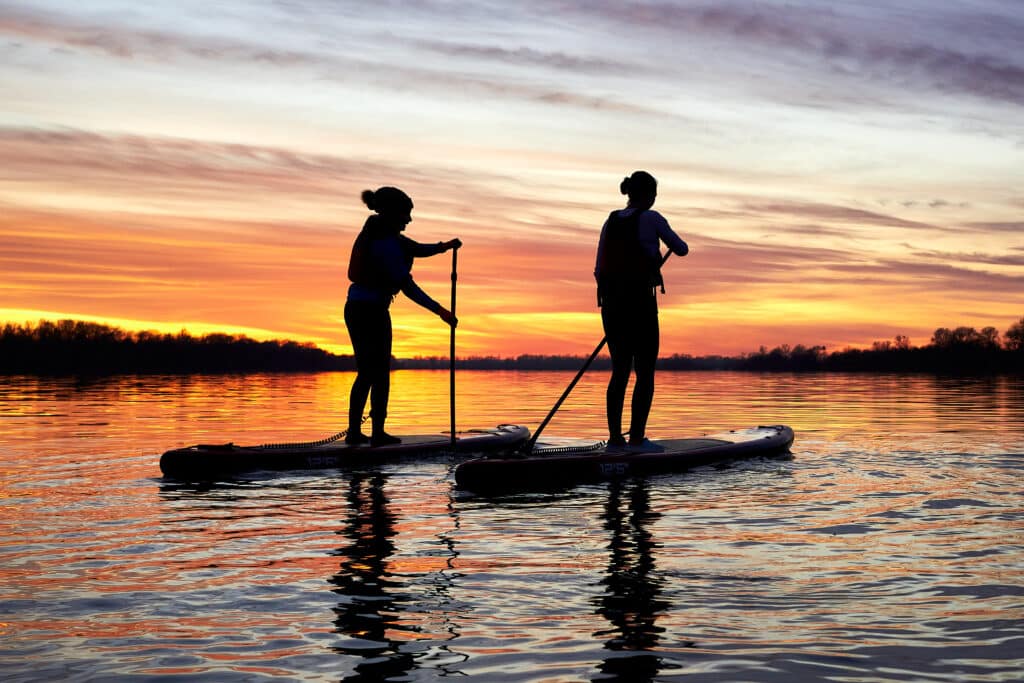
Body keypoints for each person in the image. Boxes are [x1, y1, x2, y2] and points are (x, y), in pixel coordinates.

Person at [345, 186, 460, 447]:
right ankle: (376, 435)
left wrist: (445, 247)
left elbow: (417, 249)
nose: (409, 220)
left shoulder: (382, 235)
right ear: (392, 213)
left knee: (367, 372)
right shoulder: (385, 244)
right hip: (370, 312)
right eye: (406, 214)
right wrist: (441, 312)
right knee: (377, 373)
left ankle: (357, 433)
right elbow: (407, 287)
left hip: (358, 309)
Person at [594, 171, 688, 451]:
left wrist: (616, 297)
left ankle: (614, 440)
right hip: (641, 305)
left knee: (619, 371)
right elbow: (681, 248)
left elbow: (599, 268)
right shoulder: (652, 218)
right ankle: (636, 439)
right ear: (647, 195)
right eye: (654, 194)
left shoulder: (609, 222)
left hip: (611, 306)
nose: (655, 198)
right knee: (645, 372)